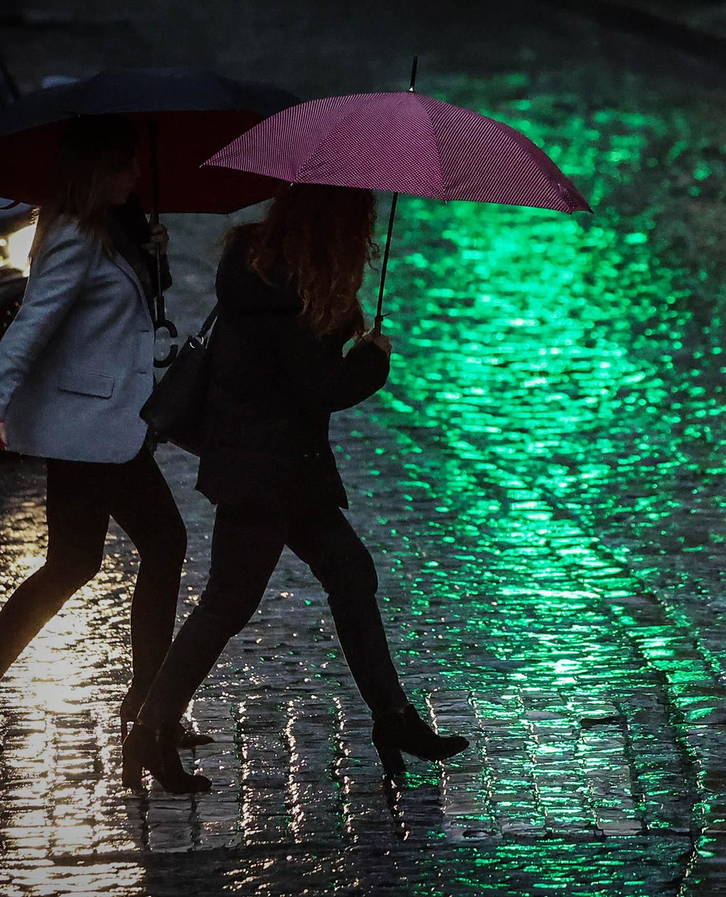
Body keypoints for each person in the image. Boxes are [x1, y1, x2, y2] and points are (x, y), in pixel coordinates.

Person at [123, 183, 468, 793]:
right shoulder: (288, 278)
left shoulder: (260, 257)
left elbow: (284, 362)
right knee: (228, 605)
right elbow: (317, 384)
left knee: (351, 573)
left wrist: (339, 323)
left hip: (281, 467)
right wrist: (372, 357)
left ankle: (393, 718)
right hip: (266, 472)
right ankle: (150, 729)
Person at [0, 114, 200, 752]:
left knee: (73, 563)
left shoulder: (112, 228)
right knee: (164, 543)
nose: (138, 174)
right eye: (127, 165)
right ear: (97, 171)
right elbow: (33, 321)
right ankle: (149, 703)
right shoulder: (74, 233)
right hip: (91, 426)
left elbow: (130, 316)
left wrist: (150, 253)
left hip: (95, 424)